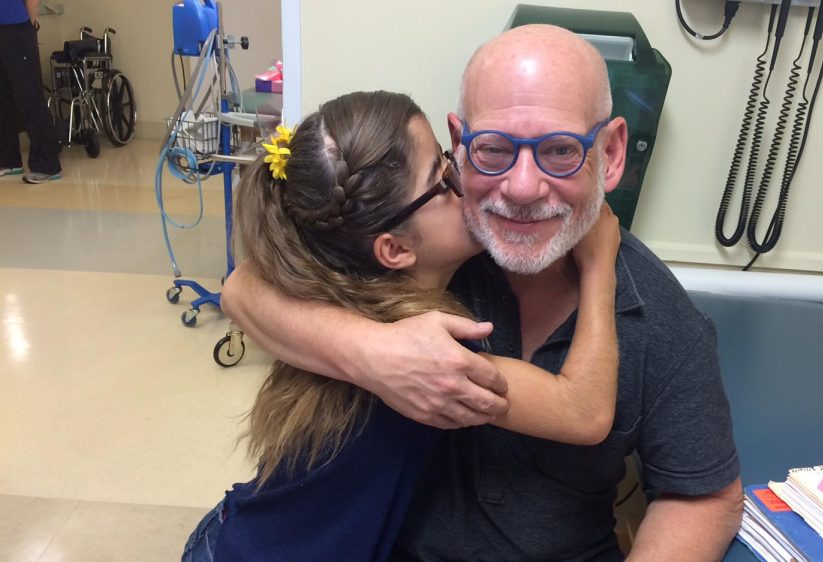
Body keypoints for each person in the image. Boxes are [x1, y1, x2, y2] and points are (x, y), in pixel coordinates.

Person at [223, 25, 743, 561]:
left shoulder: (660, 315)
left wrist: (601, 274)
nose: (520, 188)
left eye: (560, 150)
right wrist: (370, 353)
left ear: (609, 153)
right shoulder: (418, 292)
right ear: (459, 146)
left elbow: (704, 496)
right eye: (492, 150)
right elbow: (243, 288)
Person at [183, 90, 622, 561]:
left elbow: (242, 283)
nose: (467, 179)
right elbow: (584, 413)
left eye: (449, 158)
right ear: (394, 249)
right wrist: (599, 266)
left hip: (241, 529)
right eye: (443, 177)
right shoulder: (428, 352)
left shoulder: (336, 285)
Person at [0, 0, 62, 184]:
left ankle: (47, 164)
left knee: (29, 95)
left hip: (17, 27)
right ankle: (8, 160)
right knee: (2, 98)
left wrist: (29, 25)